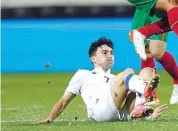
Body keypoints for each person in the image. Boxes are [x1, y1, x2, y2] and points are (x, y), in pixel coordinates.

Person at [36, 37, 167, 124]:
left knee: (148, 71)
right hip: (100, 111)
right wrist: (50, 118)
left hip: (121, 113)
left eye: (112, 53)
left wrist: (151, 118)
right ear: (93, 59)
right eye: (104, 53)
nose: (110, 55)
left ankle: (142, 109)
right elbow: (64, 100)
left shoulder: (115, 79)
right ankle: (145, 91)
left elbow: (128, 100)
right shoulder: (83, 74)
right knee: (128, 72)